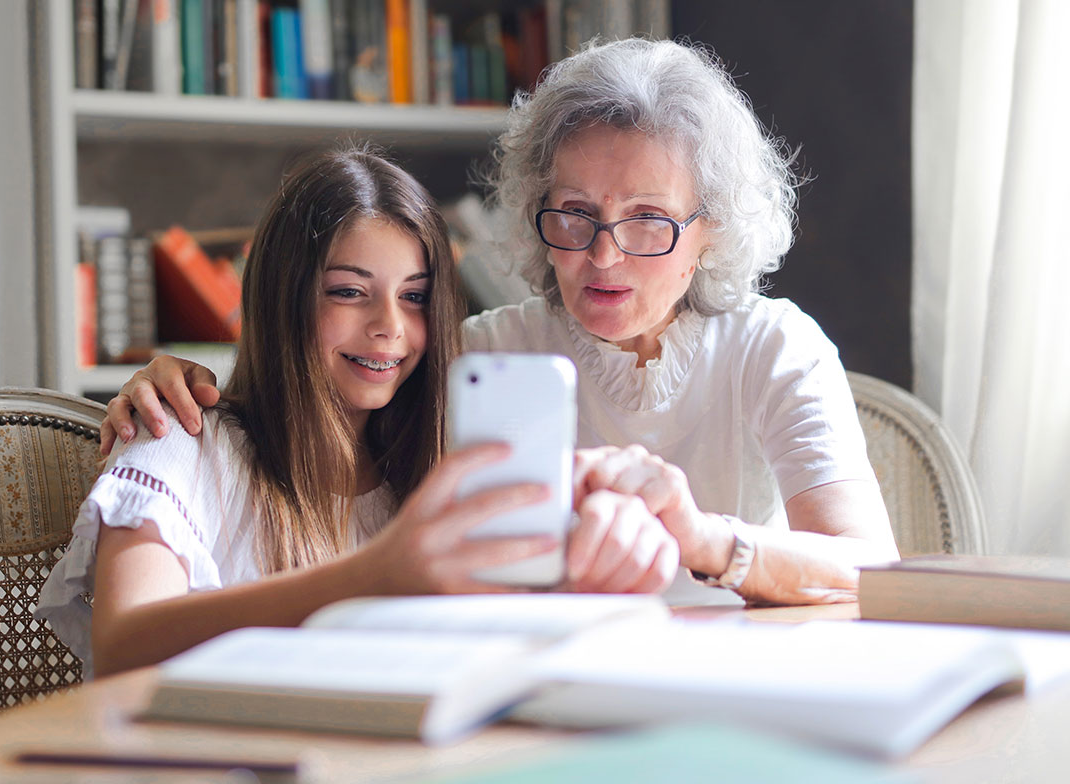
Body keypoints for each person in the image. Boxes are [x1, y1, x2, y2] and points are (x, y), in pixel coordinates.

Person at [102, 39, 900, 607]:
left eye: (649, 221)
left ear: (711, 230)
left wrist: (703, 540)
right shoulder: (478, 355)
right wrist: (176, 382)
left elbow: (869, 569)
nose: (604, 257)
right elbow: (317, 413)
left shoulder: (773, 345)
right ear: (533, 209)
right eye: (575, 215)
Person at [36, 147, 677, 679]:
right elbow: (123, 645)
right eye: (349, 292)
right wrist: (374, 576)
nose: (389, 329)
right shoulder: (181, 439)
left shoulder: (430, 470)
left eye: (416, 298)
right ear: (283, 297)